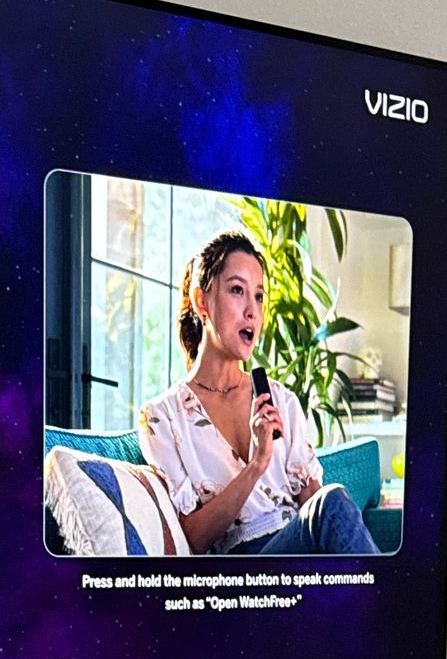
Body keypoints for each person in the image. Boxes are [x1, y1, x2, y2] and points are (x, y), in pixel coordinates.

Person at [136, 229, 378, 557]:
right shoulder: (162, 417)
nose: (253, 310)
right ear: (201, 301)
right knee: (331, 503)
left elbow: (314, 502)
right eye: (237, 290)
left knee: (330, 501)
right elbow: (192, 538)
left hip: (298, 548)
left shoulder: (283, 401)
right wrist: (257, 463)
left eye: (259, 296)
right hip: (242, 567)